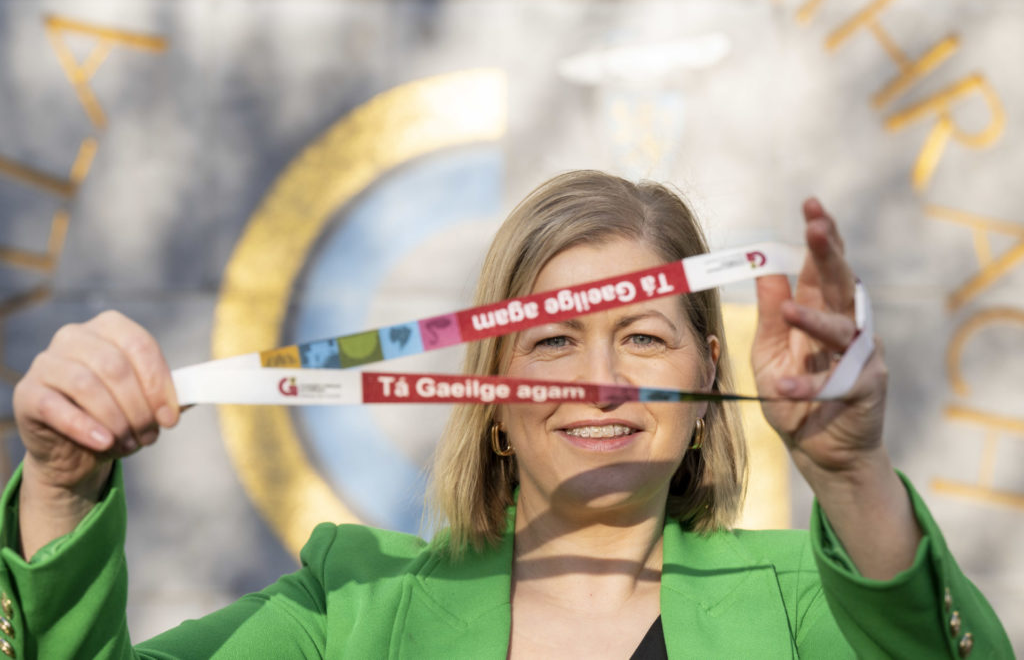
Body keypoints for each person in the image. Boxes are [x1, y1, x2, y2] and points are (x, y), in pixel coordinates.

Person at [0, 170, 1011, 658]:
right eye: (553, 341)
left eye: (643, 337)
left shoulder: (810, 601)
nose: (599, 381)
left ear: (710, 382)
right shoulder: (351, 604)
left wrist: (849, 471)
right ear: (489, 394)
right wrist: (60, 485)